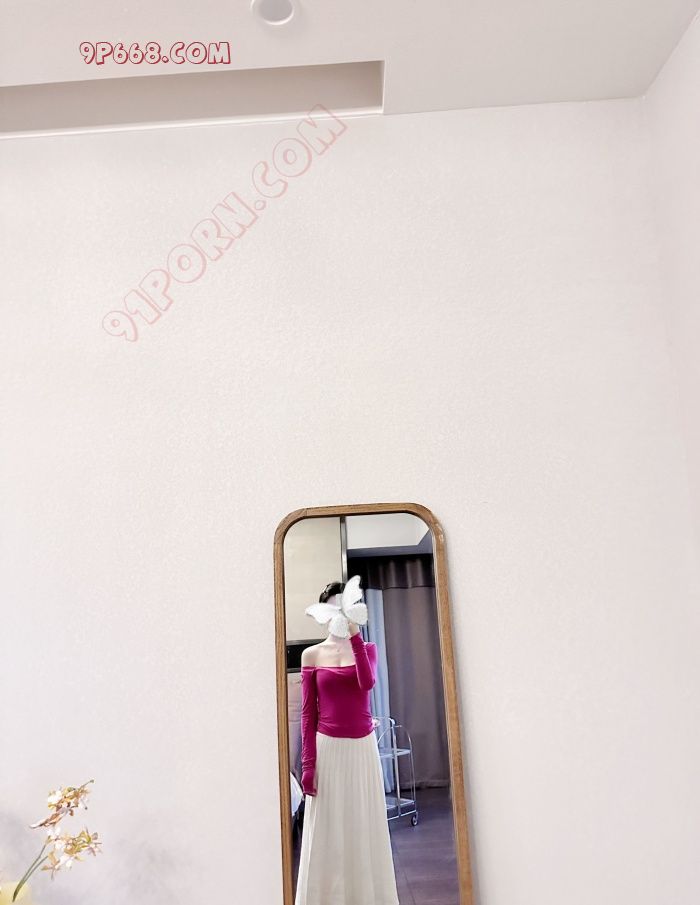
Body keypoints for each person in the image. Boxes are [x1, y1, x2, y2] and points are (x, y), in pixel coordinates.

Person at [294, 580, 400, 905]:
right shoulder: (312, 654)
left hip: (361, 749)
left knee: (362, 823)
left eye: (346, 608)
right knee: (327, 827)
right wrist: (308, 766)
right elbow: (308, 715)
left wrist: (355, 637)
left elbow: (367, 683)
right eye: (334, 609)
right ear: (324, 613)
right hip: (327, 748)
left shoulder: (367, 650)